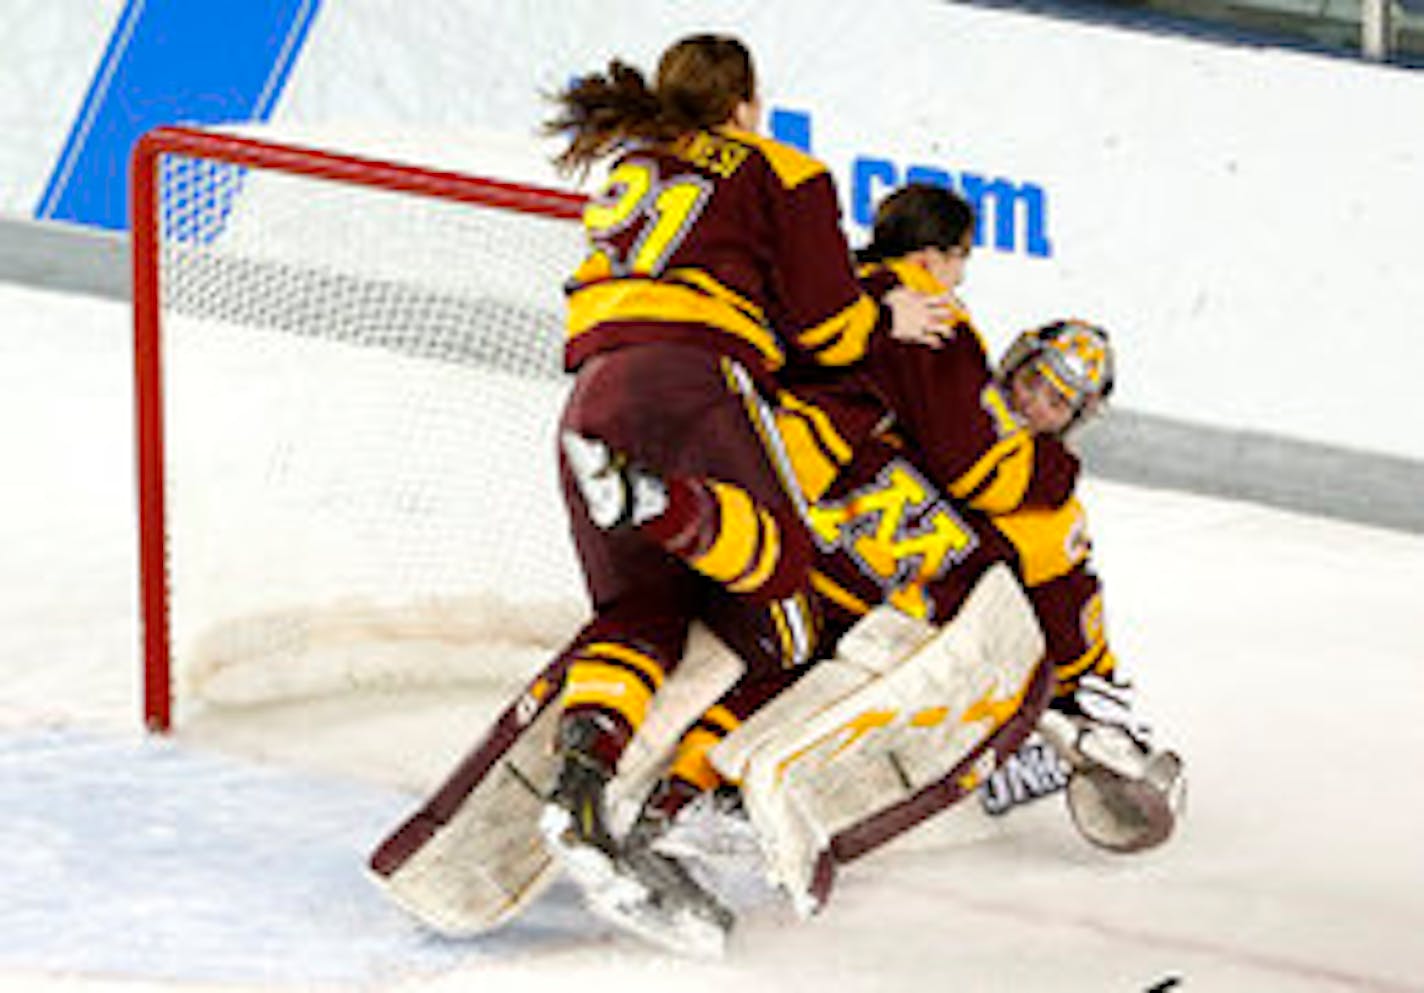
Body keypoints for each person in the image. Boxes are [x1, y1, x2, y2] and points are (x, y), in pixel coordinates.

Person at [532, 35, 952, 906]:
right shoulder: (780, 167)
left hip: (592, 394)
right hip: (694, 380)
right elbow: (829, 329)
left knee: (638, 611)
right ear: (746, 104)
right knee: (784, 592)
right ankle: (659, 502)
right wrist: (885, 311)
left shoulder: (632, 156)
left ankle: (580, 783)